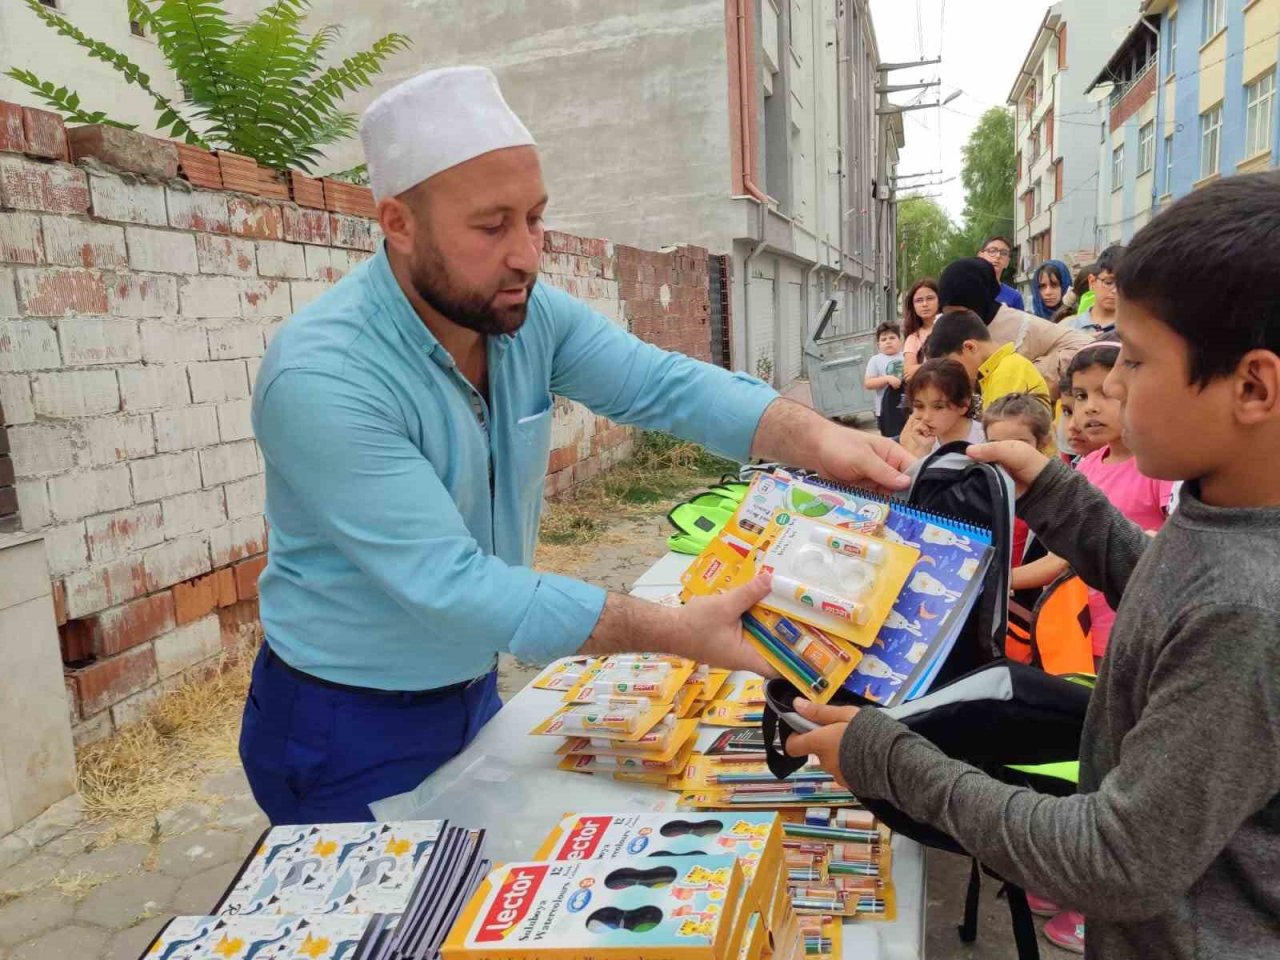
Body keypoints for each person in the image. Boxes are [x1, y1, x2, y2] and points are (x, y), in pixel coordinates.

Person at [242, 66, 913, 824]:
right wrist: (674, 632)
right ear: (399, 224)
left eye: (534, 218)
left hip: (471, 684)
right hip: (343, 723)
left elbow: (660, 384)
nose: (527, 255)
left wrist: (820, 439)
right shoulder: (324, 377)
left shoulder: (521, 315)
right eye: (491, 227)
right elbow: (455, 586)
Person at [783, 172, 1280, 960]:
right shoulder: (1225, 515)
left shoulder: (1249, 609)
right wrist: (1052, 490)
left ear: (1252, 387)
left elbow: (1115, 860)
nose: (1110, 386)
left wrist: (892, 760)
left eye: (1136, 363)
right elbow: (1162, 587)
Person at [1065, 341, 1175, 662]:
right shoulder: (1086, 465)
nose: (1090, 408)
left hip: (1139, 635)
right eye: (1081, 396)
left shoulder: (1158, 465)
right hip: (1085, 632)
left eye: (1105, 393)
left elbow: (1174, 547)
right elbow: (1064, 556)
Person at [937, 258, 1091, 393]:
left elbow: (1086, 346)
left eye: (960, 312)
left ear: (977, 303)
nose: (953, 321)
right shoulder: (953, 330)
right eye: (947, 313)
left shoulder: (1019, 325)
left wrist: (1032, 372)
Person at [982, 393, 1061, 584]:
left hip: (1028, 595)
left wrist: (996, 583)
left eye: (1017, 445)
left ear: (1043, 443)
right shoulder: (984, 486)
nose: (1005, 453)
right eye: (995, 445)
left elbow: (1057, 563)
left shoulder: (1056, 493)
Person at [923, 308, 1050, 413]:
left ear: (969, 347)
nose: (954, 375)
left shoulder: (1007, 373)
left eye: (953, 365)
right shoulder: (997, 372)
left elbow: (1001, 431)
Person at [897, 358, 985, 458]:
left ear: (963, 404)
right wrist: (922, 451)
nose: (926, 417)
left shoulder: (985, 439)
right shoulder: (912, 437)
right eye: (919, 406)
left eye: (938, 407)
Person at [863, 322, 908, 438]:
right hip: (886, 410)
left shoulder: (907, 357)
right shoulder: (875, 360)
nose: (888, 341)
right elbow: (868, 383)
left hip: (908, 407)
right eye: (884, 339)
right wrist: (886, 379)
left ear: (900, 340)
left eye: (892, 338)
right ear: (878, 345)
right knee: (891, 439)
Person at [1068, 248, 1122, 335]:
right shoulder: (1069, 328)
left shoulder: (1137, 332)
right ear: (1092, 282)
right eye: (1108, 282)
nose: (1115, 290)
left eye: (1123, 284)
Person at [901, 279, 940, 378]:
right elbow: (909, 374)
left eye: (930, 298)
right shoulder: (913, 338)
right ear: (913, 306)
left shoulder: (952, 328)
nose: (925, 304)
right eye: (919, 300)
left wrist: (920, 368)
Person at [977, 235, 1025, 310]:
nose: (998, 256)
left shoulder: (1014, 297)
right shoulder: (966, 289)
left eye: (1004, 253)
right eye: (992, 251)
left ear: (1007, 262)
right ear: (980, 256)